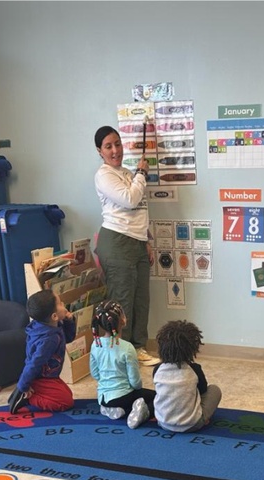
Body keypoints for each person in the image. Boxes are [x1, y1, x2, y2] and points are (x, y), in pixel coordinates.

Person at [93, 125, 159, 367]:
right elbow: (130, 200)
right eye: (108, 146)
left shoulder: (127, 173)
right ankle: (120, 354)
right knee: (122, 301)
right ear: (100, 151)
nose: (115, 150)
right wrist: (142, 173)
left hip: (137, 242)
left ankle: (138, 348)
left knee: (141, 299)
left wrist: (146, 240)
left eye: (118, 144)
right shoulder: (104, 175)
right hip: (117, 241)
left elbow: (140, 210)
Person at [90, 300, 156, 429]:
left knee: (126, 398)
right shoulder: (127, 348)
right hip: (123, 396)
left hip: (103, 397)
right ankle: (141, 413)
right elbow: (135, 383)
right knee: (155, 397)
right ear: (123, 321)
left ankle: (113, 409)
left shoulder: (95, 344)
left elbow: (95, 374)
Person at [8, 289, 77, 414]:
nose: (63, 305)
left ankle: (33, 391)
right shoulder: (48, 340)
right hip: (39, 378)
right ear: (54, 316)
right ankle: (28, 398)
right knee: (66, 402)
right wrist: (23, 386)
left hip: (50, 376)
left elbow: (68, 338)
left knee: (67, 393)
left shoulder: (52, 325)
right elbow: (34, 363)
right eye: (60, 303)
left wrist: (69, 321)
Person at [152, 320, 222, 433]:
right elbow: (203, 390)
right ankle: (202, 418)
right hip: (193, 425)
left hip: (163, 423)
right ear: (192, 348)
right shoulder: (195, 369)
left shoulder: (157, 369)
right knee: (214, 389)